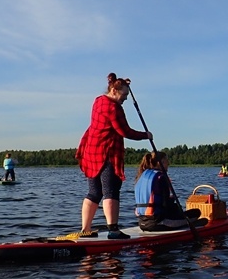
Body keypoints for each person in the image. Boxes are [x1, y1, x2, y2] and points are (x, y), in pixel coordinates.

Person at [75, 73, 153, 239]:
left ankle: (86, 230)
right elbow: (125, 131)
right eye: (123, 95)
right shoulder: (113, 108)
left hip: (91, 151)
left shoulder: (98, 100)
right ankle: (113, 230)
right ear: (114, 90)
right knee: (111, 191)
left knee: (94, 192)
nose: (124, 98)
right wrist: (146, 135)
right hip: (107, 153)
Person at [135, 152, 205, 231]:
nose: (168, 163)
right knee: (196, 213)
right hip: (159, 222)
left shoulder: (142, 175)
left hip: (141, 222)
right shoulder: (161, 177)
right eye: (166, 161)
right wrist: (173, 203)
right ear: (160, 162)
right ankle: (187, 226)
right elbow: (166, 205)